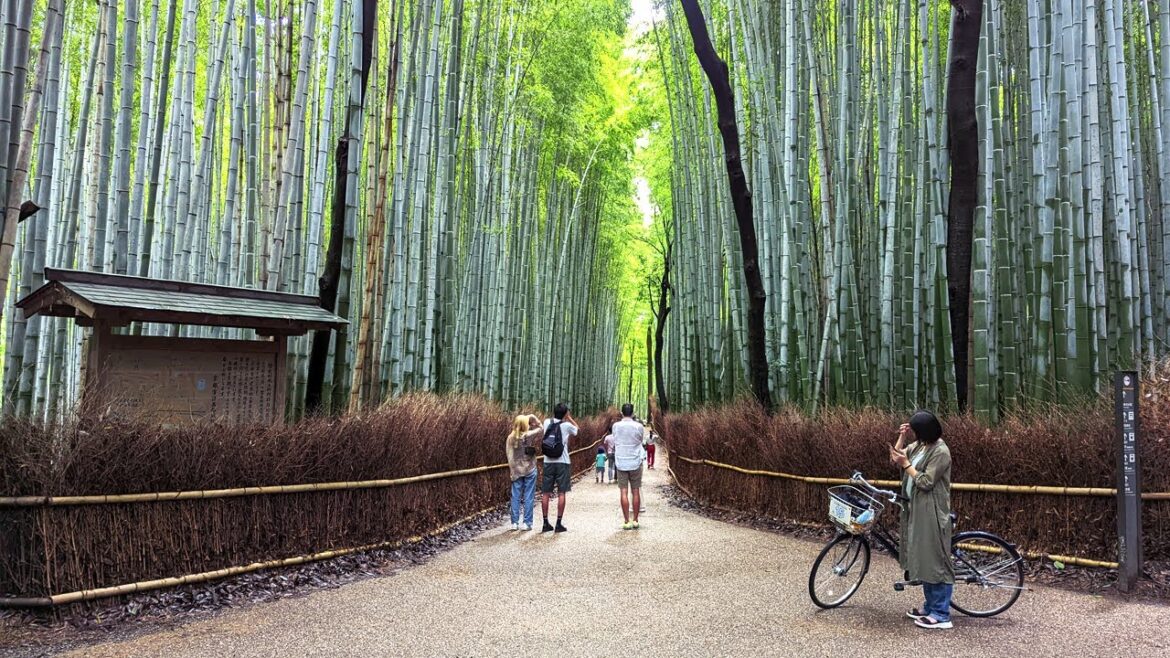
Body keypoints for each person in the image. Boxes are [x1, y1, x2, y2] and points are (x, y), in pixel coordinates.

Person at [889, 410, 954, 630]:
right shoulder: (920, 445)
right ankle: (930, 605)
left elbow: (926, 481)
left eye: (915, 430)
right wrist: (901, 438)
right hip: (915, 507)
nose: (913, 434)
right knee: (924, 558)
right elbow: (896, 455)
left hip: (931, 511)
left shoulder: (940, 451)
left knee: (936, 561)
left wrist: (907, 465)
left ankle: (942, 614)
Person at [540, 402, 578, 533]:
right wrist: (570, 418)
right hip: (563, 462)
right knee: (562, 492)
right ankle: (558, 523)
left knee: (545, 492)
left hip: (548, 461)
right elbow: (577, 430)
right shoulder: (567, 425)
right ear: (565, 413)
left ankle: (545, 523)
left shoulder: (546, 422)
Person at [611, 403, 646, 530]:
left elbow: (615, 439)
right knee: (635, 491)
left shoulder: (616, 426)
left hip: (621, 462)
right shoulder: (639, 426)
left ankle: (626, 521)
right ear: (633, 413)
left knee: (623, 491)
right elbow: (641, 440)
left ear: (622, 413)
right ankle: (635, 520)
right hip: (635, 461)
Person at [506, 414, 542, 531]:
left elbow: (509, 455)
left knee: (515, 496)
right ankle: (527, 523)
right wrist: (532, 417)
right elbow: (541, 428)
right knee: (528, 496)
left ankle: (514, 523)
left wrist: (512, 470)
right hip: (530, 469)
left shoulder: (510, 438)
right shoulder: (527, 435)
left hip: (516, 470)